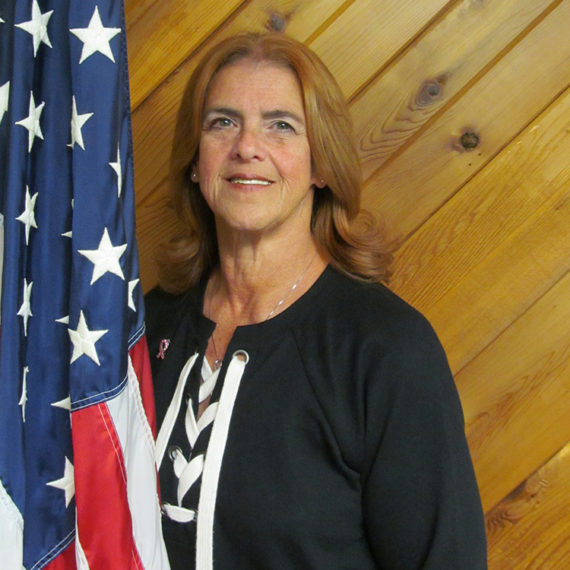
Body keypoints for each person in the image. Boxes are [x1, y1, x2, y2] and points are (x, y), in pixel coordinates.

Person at [145, 32, 487, 569]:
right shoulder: (148, 324)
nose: (247, 147)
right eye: (222, 122)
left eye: (281, 125)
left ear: (321, 164)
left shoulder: (386, 349)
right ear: (195, 160)